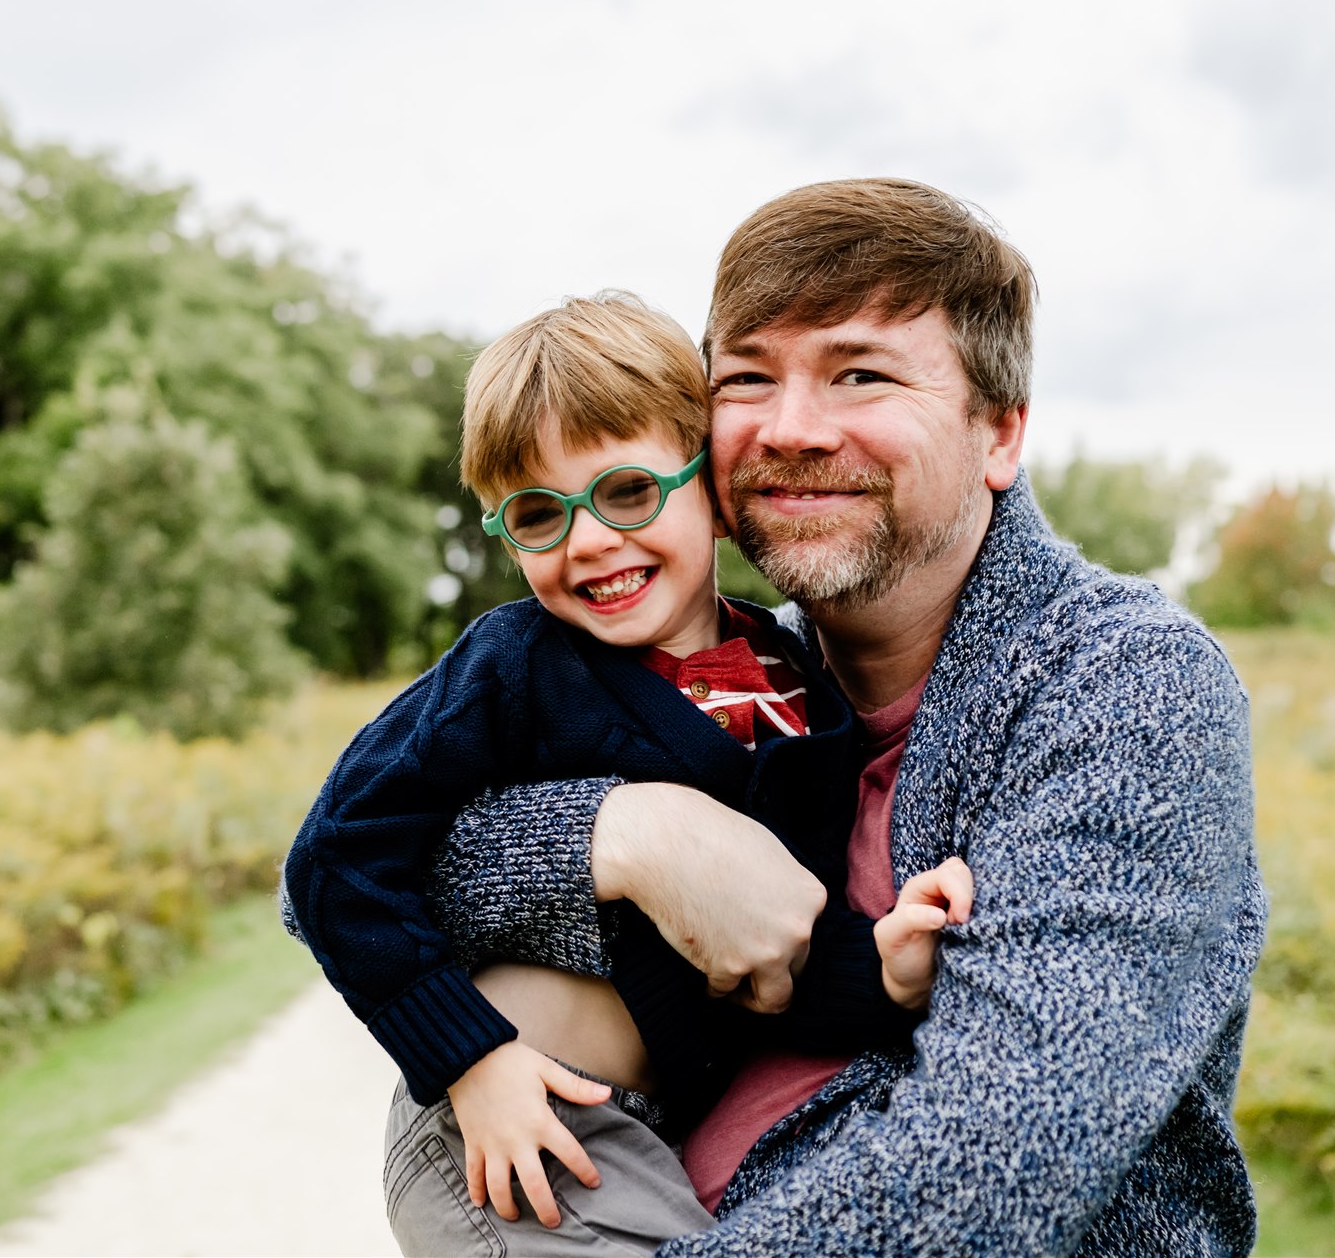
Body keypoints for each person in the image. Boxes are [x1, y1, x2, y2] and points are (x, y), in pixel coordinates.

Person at [424, 179, 1268, 1255]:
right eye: (746, 378)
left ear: (999, 431)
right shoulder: (732, 673)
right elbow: (361, 871)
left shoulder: (1123, 679)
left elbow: (994, 1163)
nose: (790, 429)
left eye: (859, 373)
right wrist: (626, 837)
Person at [280, 292, 975, 1255]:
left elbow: (772, 962)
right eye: (538, 514)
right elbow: (334, 859)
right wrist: (470, 1059)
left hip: (648, 1133)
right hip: (510, 1121)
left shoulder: (801, 689)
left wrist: (883, 971)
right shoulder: (515, 667)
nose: (590, 540)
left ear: (715, 492)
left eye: (628, 492)